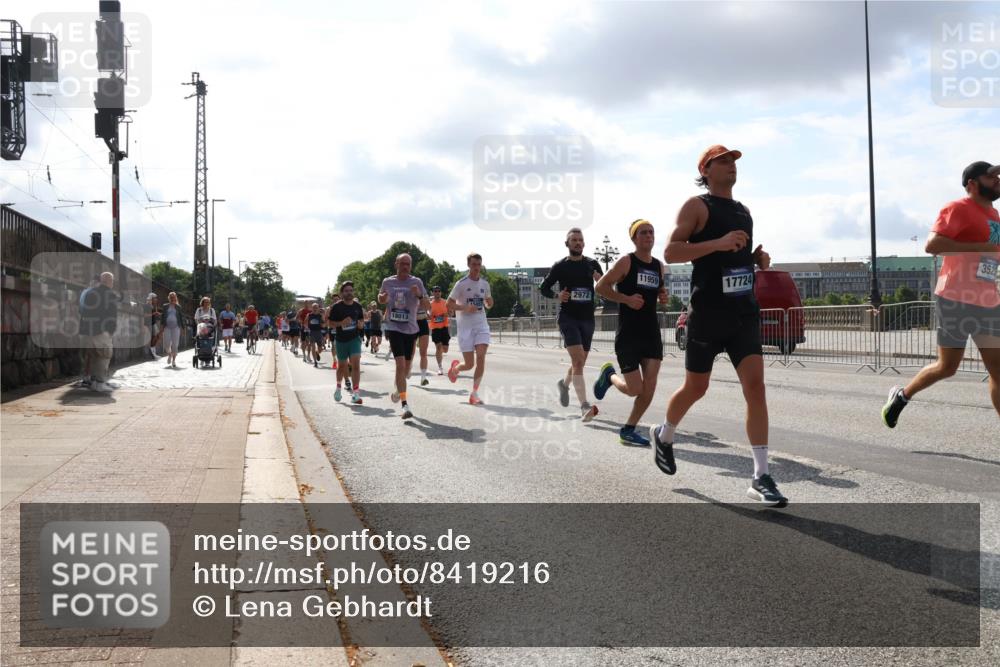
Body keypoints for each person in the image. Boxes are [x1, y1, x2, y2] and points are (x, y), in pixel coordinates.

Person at [653, 144, 786, 507]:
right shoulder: (697, 207)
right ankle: (664, 435)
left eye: (734, 162)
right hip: (707, 314)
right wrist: (719, 243)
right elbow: (671, 252)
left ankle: (760, 475)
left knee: (756, 388)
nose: (731, 166)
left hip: (743, 312)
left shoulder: (743, 211)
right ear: (706, 170)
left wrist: (755, 259)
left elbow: (736, 254)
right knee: (696, 388)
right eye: (723, 161)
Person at [883, 160, 1000, 425]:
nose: (997, 181)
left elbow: (991, 255)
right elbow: (933, 244)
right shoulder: (956, 208)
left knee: (998, 370)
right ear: (972, 184)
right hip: (955, 298)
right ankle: (902, 395)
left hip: (988, 300)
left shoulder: (995, 216)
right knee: (947, 367)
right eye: (991, 177)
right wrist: (983, 248)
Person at [593, 220, 668, 445]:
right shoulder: (626, 261)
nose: (648, 235)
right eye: (643, 232)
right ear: (634, 238)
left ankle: (628, 429)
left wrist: (662, 296)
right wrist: (625, 299)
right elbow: (600, 287)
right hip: (629, 334)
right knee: (635, 389)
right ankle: (609, 376)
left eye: (651, 232)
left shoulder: (658, 265)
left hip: (651, 332)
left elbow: (659, 290)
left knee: (650, 386)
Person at [540, 228, 604, 421]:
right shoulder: (560, 266)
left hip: (587, 318)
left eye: (580, 240)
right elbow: (543, 288)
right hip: (568, 317)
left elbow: (603, 285)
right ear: (567, 244)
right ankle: (584, 406)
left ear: (584, 244)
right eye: (574, 240)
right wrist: (557, 295)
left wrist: (600, 281)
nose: (578, 243)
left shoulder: (592, 264)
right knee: (577, 362)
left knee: (580, 363)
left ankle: (565, 385)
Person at [379, 253, 431, 419]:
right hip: (394, 328)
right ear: (396, 264)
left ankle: (397, 390)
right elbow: (381, 298)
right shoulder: (388, 281)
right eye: (402, 263)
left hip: (411, 329)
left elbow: (427, 306)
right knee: (400, 365)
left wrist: (419, 295)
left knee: (407, 369)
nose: (405, 267)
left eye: (408, 264)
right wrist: (382, 297)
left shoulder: (416, 282)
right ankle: (404, 404)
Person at [446, 253, 494, 405]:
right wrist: (465, 307)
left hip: (481, 325)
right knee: (469, 364)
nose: (476, 268)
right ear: (468, 265)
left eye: (479, 264)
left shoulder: (485, 284)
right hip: (465, 327)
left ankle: (474, 393)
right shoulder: (461, 284)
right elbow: (449, 304)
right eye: (474, 264)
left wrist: (489, 302)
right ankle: (455, 368)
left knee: (481, 357)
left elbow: (488, 303)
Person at [79, 272, 118, 393]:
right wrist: (110, 331)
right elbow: (112, 315)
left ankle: (94, 382)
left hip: (87, 330)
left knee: (94, 357)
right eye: (112, 281)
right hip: (102, 331)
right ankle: (99, 383)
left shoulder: (90, 293)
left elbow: (83, 311)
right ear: (109, 281)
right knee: (104, 356)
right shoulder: (111, 294)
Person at [329, 282, 365, 404]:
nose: (349, 293)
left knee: (356, 365)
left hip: (354, 339)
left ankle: (355, 393)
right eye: (346, 291)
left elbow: (361, 319)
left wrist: (360, 324)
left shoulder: (357, 306)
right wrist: (341, 323)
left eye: (351, 290)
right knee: (342, 366)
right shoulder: (337, 307)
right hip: (341, 340)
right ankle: (338, 388)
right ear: (342, 293)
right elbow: (330, 323)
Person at [428, 286, 452, 375]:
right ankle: (440, 367)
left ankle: (439, 353)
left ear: (440, 292)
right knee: (438, 347)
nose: (437, 292)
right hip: (435, 328)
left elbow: (451, 312)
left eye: (438, 291)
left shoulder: (445, 302)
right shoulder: (430, 304)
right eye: (435, 291)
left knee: (445, 350)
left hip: (444, 327)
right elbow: (428, 314)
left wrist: (447, 313)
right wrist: (431, 315)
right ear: (433, 293)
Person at [161, 292, 184, 368]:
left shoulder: (178, 307)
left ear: (175, 298)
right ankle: (169, 354)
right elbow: (162, 317)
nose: (172, 298)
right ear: (169, 298)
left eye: (173, 297)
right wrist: (162, 327)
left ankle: (174, 360)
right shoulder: (165, 306)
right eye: (171, 297)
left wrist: (183, 328)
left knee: (175, 344)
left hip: (176, 327)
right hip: (167, 327)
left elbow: (181, 318)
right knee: (166, 344)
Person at [414, 301, 432, 385]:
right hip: (412, 323)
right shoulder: (409, 293)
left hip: (423, 323)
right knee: (411, 353)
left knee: (424, 353)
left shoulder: (424, 295)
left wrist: (429, 313)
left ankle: (423, 378)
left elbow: (429, 307)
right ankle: (408, 369)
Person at [305, 302, 325, 367]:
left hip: (319, 332)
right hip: (312, 332)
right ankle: (315, 362)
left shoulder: (320, 315)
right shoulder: (309, 315)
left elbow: (324, 323)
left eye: (316, 307)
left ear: (318, 308)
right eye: (314, 307)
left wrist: (323, 316)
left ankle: (317, 353)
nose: (315, 309)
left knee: (320, 349)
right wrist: (306, 328)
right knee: (313, 346)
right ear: (312, 308)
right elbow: (305, 322)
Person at [146, 293, 162, 359]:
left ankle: (153, 351)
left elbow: (153, 314)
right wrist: (154, 313)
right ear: (151, 299)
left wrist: (158, 314)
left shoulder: (153, 306)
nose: (156, 299)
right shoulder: (147, 305)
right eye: (155, 298)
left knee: (157, 336)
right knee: (155, 336)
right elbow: (145, 315)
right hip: (149, 323)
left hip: (153, 323)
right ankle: (153, 352)